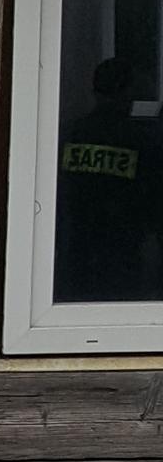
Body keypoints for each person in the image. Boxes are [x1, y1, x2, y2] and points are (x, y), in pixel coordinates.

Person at [53, 58, 163, 302]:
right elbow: (154, 203)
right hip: (122, 253)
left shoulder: (71, 135)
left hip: (76, 251)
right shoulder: (140, 142)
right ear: (128, 91)